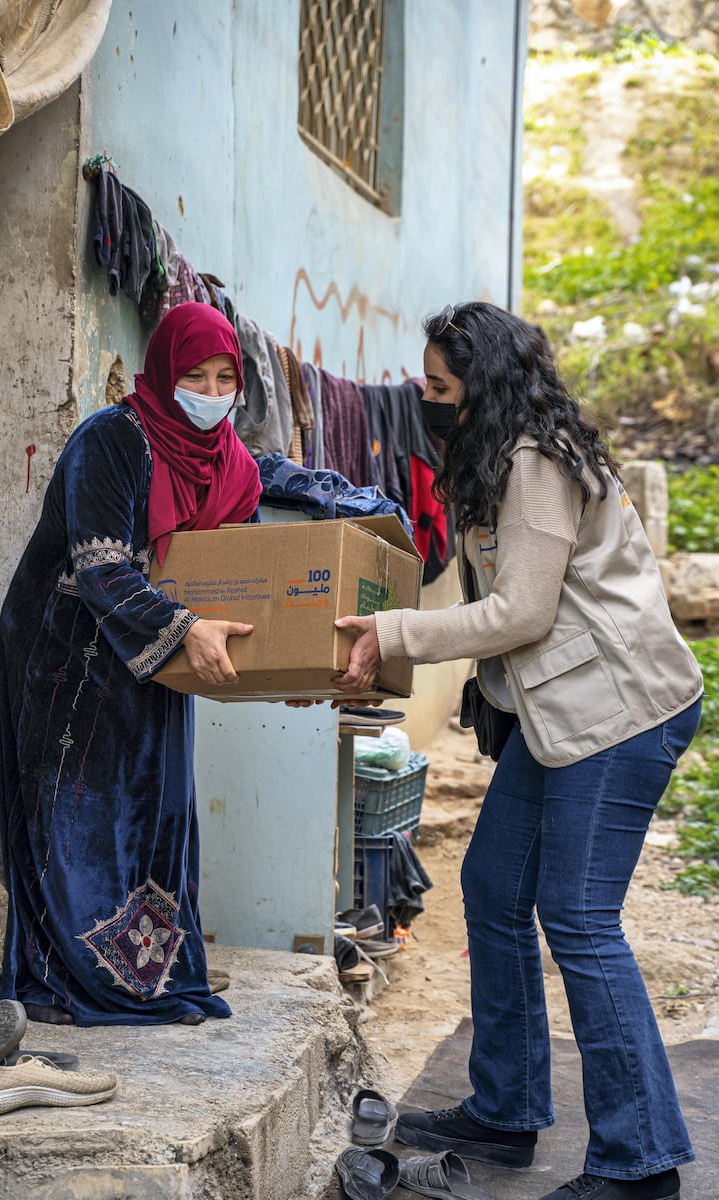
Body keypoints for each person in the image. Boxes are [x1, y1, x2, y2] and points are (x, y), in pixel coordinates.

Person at [335, 301, 702, 1200]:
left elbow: (522, 614)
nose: (426, 401)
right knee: (496, 886)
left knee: (580, 919)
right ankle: (506, 1110)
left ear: (485, 387)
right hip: (564, 718)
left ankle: (641, 1163)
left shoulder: (536, 463)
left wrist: (390, 633)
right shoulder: (503, 461)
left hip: (621, 716)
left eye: (440, 388)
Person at [0, 301, 262, 1027]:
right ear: (163, 371)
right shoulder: (108, 442)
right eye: (194, 376)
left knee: (156, 808)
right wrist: (186, 628)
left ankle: (148, 973)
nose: (210, 394)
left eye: (223, 378)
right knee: (79, 814)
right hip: (67, 653)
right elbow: (102, 572)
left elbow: (246, 564)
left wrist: (287, 669)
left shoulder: (225, 461)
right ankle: (64, 977)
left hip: (154, 652)